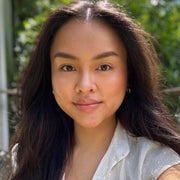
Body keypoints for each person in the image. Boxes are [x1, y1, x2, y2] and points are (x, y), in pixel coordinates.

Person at [10, 1, 180, 180]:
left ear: (129, 74)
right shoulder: (27, 157)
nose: (84, 85)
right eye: (68, 67)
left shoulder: (158, 166)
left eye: (104, 67)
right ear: (48, 76)